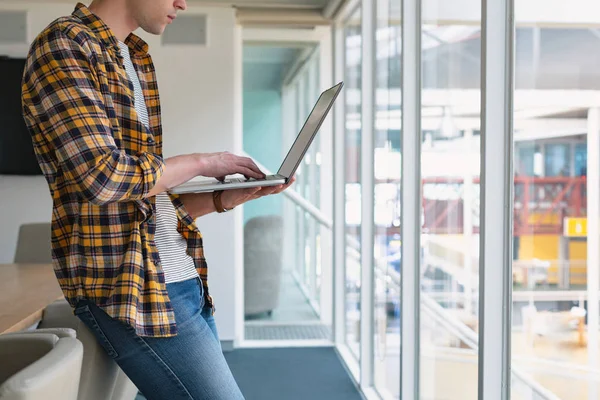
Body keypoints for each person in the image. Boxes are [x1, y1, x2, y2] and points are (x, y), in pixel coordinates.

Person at [21, 1, 294, 399]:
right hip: (134, 289)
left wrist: (225, 198)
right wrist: (204, 162)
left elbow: (140, 202)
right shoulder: (65, 44)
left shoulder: (133, 55)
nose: (182, 3)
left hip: (180, 278)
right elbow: (104, 179)